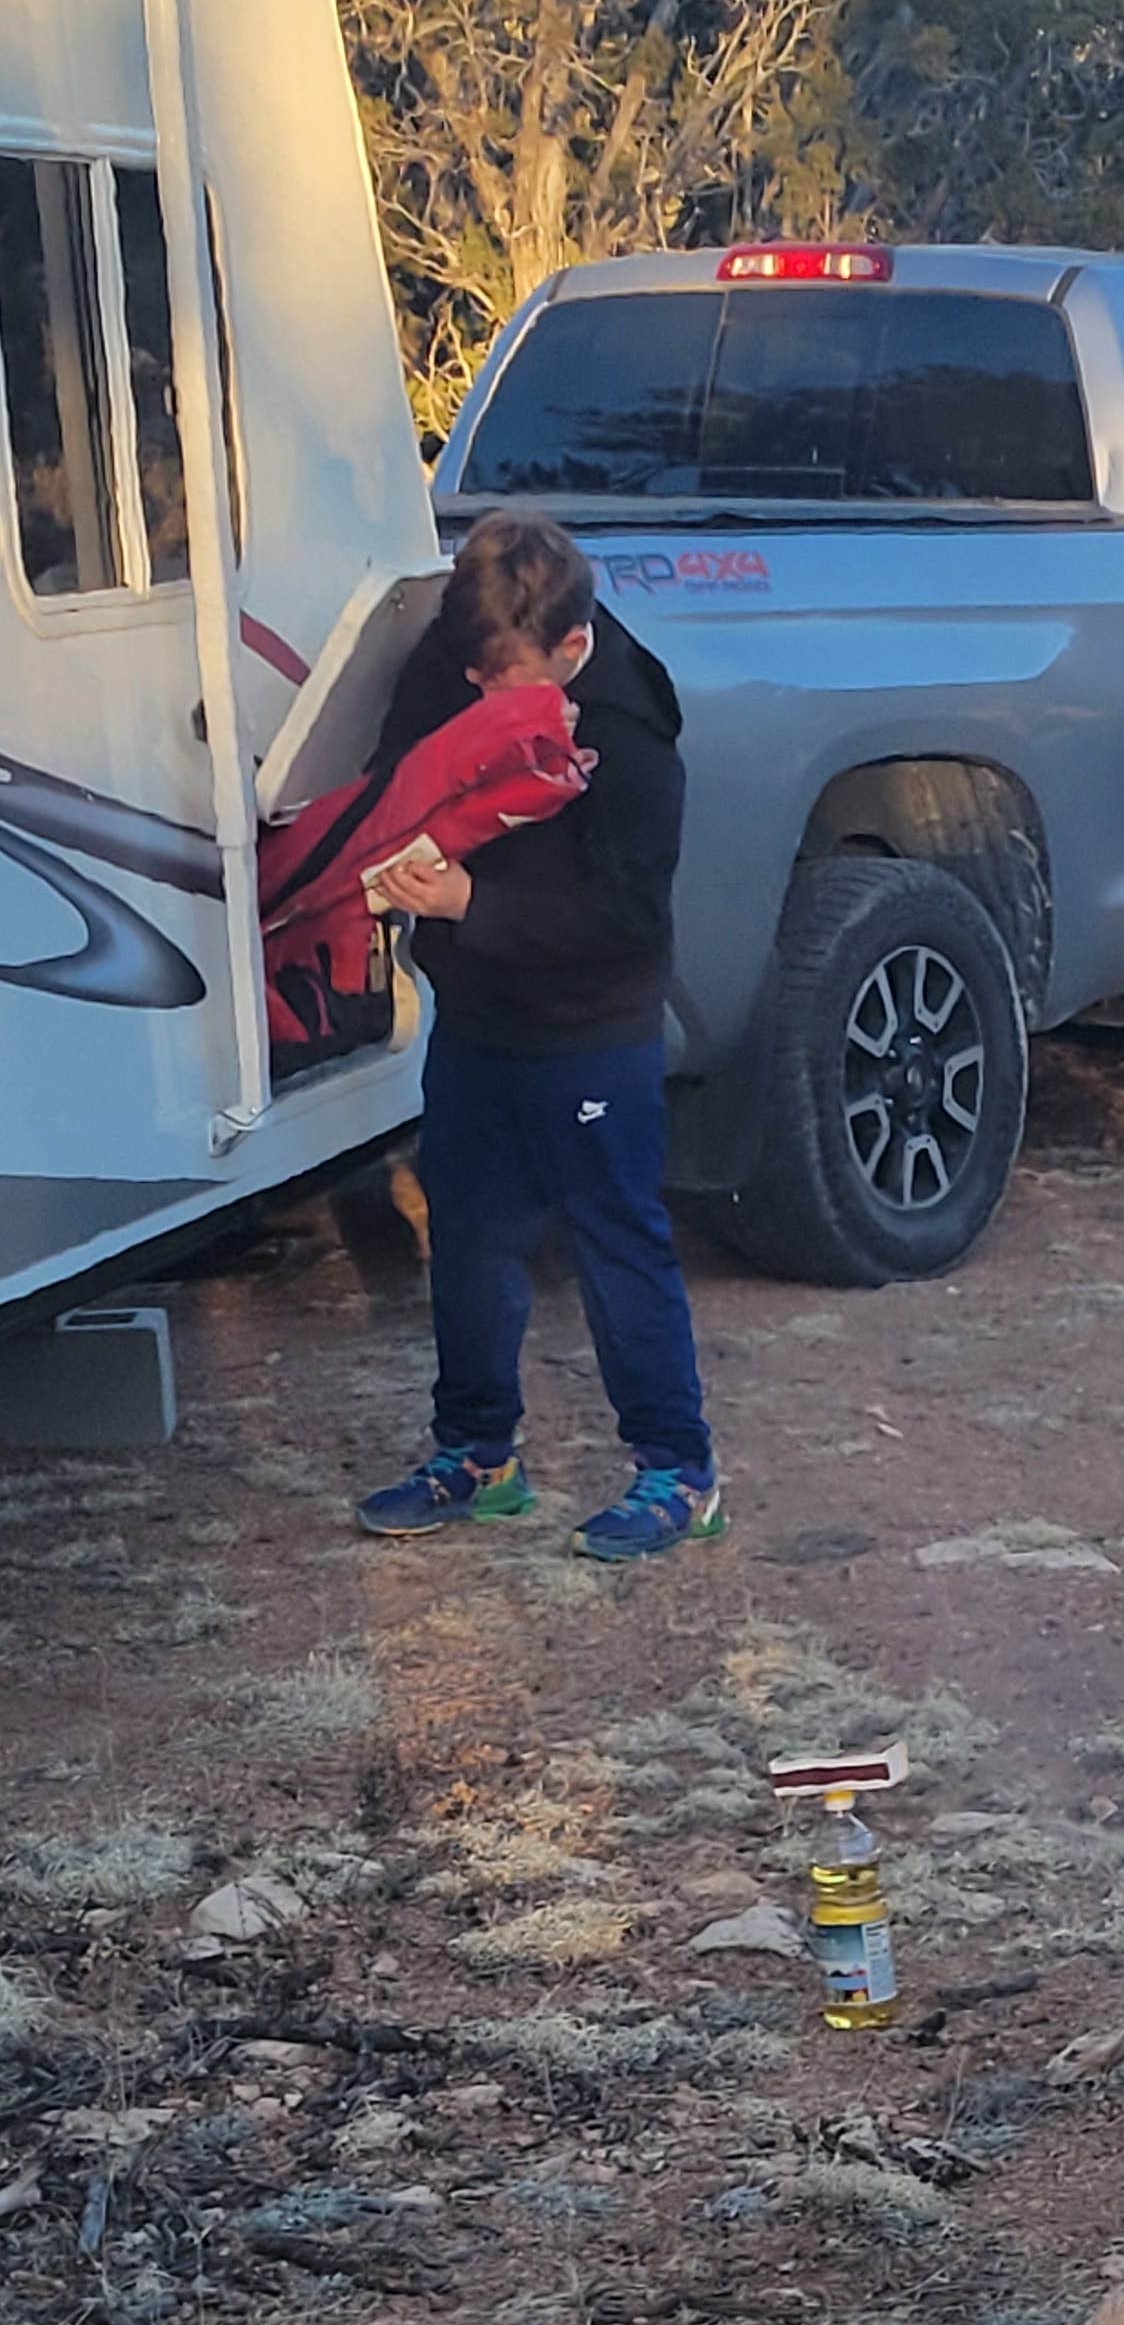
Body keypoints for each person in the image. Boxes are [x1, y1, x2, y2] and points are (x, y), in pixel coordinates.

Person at [352, 512, 722, 1560]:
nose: (477, 693)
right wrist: (392, 858)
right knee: (467, 1234)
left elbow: (627, 916)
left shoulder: (633, 737)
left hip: (591, 1027)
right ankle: (478, 1458)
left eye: (501, 679)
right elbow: (400, 770)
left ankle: (680, 1471)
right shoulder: (461, 653)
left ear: (571, 647)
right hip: (477, 1015)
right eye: (470, 671)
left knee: (614, 1242)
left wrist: (472, 902)